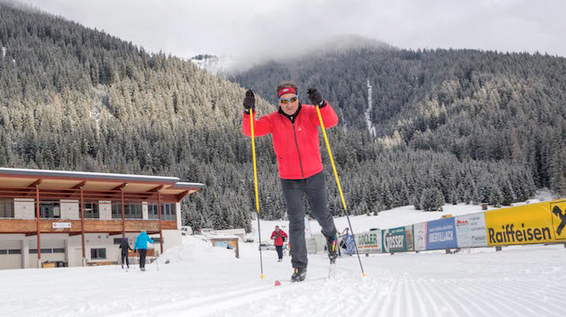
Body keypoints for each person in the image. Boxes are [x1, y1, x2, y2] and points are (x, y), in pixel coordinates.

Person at [242, 81, 339, 282]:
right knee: (296, 223)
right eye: (284, 101)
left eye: (293, 99)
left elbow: (331, 121)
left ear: (298, 99)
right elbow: (251, 130)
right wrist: (248, 111)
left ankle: (331, 237)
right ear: (279, 102)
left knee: (322, 214)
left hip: (314, 175)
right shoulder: (273, 119)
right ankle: (299, 267)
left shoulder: (311, 112)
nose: (289, 104)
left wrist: (321, 104)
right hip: (290, 180)